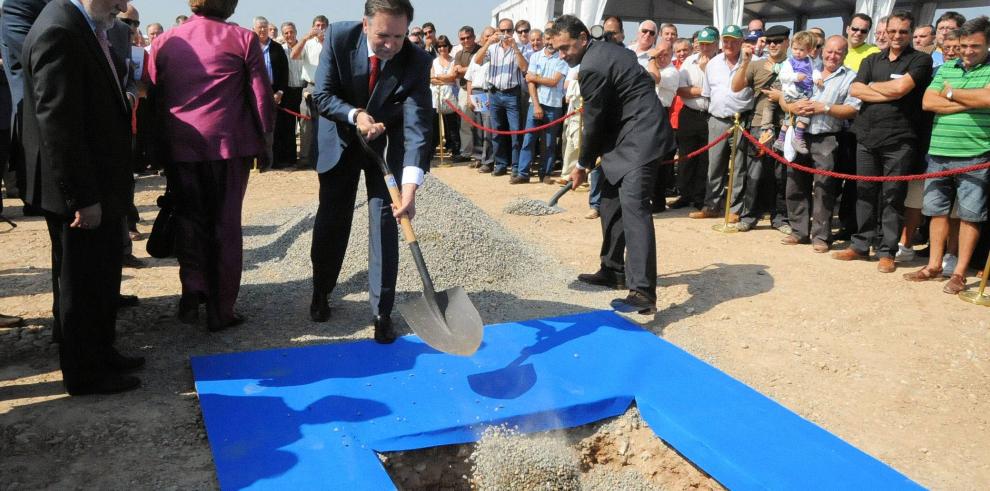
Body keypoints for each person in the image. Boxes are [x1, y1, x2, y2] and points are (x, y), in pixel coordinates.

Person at [22, 0, 142, 395]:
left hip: (99, 184)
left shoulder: (80, 24)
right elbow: (59, 124)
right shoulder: (60, 29)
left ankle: (101, 352)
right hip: (82, 190)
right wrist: (82, 197)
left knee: (101, 276)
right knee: (81, 282)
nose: (122, 5)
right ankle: (85, 372)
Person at [309, 0, 431, 344]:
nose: (391, 44)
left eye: (399, 36)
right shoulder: (338, 37)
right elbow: (323, 95)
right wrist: (356, 116)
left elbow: (418, 126)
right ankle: (321, 290)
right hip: (343, 138)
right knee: (333, 217)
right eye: (382, 36)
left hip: (385, 147)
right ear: (365, 25)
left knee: (384, 223)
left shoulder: (417, 60)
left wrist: (410, 186)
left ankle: (382, 311)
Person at [148, 0, 275, 330]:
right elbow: (260, 97)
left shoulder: (164, 42)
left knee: (190, 222)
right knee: (225, 227)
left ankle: (192, 290)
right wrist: (265, 142)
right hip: (227, 147)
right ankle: (221, 310)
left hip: (181, 149)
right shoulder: (243, 39)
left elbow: (154, 96)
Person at [553, 14, 676, 316]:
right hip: (623, 139)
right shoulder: (611, 49)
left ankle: (643, 292)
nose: (562, 55)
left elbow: (593, 122)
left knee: (635, 210)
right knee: (609, 201)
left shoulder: (592, 67)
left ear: (583, 39)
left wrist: (582, 163)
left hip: (641, 138)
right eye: (557, 49)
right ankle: (612, 270)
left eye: (566, 48)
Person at [834, 11, 933, 273]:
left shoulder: (920, 60)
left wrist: (874, 89)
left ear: (911, 33)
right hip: (866, 136)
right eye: (892, 31)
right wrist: (887, 91)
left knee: (892, 197)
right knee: (864, 192)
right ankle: (860, 244)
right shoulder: (870, 59)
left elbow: (901, 90)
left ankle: (887, 251)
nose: (897, 36)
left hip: (900, 140)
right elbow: (855, 90)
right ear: (885, 32)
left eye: (903, 31)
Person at [905, 16, 990, 294]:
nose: (966, 51)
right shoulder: (947, 67)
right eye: (963, 45)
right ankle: (933, 265)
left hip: (976, 153)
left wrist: (951, 93)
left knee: (970, 215)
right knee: (936, 211)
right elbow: (928, 101)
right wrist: (968, 101)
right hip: (939, 151)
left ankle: (960, 272)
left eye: (974, 46)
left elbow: (988, 99)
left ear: (988, 45)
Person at [776, 35, 861, 252]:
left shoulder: (850, 77)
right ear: (822, 51)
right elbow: (782, 95)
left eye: (838, 52)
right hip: (798, 135)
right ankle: (798, 231)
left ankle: (821, 236)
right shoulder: (807, 65)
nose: (833, 56)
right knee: (794, 183)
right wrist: (790, 107)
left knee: (824, 188)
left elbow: (853, 109)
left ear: (846, 54)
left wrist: (824, 107)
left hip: (826, 138)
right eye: (829, 51)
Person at [473, 17, 528, 177]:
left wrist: (515, 48)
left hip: (512, 94)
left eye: (509, 30)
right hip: (495, 93)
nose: (505, 34)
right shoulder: (492, 48)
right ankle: (501, 164)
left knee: (515, 131)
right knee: (496, 131)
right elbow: (477, 60)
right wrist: (489, 42)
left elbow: (525, 68)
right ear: (498, 31)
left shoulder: (520, 48)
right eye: (502, 30)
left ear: (513, 32)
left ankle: (516, 167)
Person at [515, 26, 568, 184]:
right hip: (536, 103)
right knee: (528, 139)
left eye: (553, 39)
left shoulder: (562, 58)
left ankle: (545, 173)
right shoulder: (535, 57)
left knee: (550, 142)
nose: (550, 42)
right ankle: (523, 173)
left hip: (554, 105)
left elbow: (554, 81)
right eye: (548, 38)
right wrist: (536, 105)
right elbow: (530, 83)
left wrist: (535, 77)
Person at [673, 28, 716, 210]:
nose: (704, 48)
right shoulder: (689, 62)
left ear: (716, 44)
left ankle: (700, 197)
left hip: (711, 116)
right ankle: (684, 195)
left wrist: (706, 74)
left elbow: (721, 91)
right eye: (702, 44)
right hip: (690, 115)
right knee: (686, 157)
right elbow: (680, 90)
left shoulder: (721, 62)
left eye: (708, 44)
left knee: (706, 160)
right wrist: (704, 91)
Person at [774, 31, 820, 154]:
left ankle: (781, 140)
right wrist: (795, 76)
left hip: (805, 92)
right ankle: (797, 139)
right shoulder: (789, 61)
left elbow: (814, 71)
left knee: (792, 117)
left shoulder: (810, 61)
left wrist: (817, 79)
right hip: (793, 93)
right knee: (803, 115)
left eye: (801, 50)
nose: (797, 52)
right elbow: (782, 76)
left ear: (809, 50)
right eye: (795, 49)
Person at [291, 15, 328, 167]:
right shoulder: (307, 42)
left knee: (326, 123)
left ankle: (324, 157)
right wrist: (305, 38)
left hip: (327, 88)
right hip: (310, 87)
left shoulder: (330, 43)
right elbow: (293, 55)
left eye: (323, 26)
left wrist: (323, 40)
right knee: (305, 123)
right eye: (317, 25)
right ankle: (305, 158)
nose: (320, 28)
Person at [252, 16, 289, 169]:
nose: (262, 30)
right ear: (254, 28)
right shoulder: (250, 46)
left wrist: (280, 91)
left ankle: (269, 161)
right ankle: (253, 162)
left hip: (273, 92)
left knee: (271, 129)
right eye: (259, 27)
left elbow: (284, 71)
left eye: (264, 27)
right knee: (253, 127)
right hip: (253, 92)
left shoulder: (277, 48)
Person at [279, 21, 306, 167]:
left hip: (303, 90)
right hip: (288, 91)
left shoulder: (304, 47)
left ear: (296, 31)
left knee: (305, 126)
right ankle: (289, 159)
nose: (289, 35)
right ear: (283, 35)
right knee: (288, 126)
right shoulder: (281, 50)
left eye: (291, 32)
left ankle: (305, 157)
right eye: (286, 33)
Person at [430, 34, 459, 157]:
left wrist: (439, 77)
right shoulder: (434, 61)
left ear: (449, 46)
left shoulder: (454, 61)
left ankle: (455, 148)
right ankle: (432, 149)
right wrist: (445, 79)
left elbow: (453, 77)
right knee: (434, 124)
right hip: (436, 95)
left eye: (444, 46)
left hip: (450, 95)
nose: (442, 48)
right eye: (440, 46)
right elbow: (431, 78)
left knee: (451, 124)